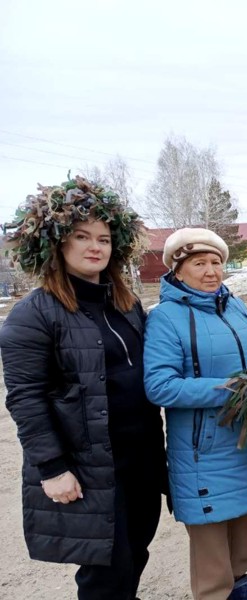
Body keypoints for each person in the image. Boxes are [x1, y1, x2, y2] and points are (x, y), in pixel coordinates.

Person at [0, 175, 166, 599]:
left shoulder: (125, 303)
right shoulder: (33, 315)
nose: (96, 246)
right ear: (57, 242)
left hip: (140, 456)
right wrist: (52, 468)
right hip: (89, 465)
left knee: (137, 551)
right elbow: (25, 399)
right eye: (81, 236)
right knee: (105, 571)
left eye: (104, 238)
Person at [143, 228, 247, 600]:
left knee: (246, 518)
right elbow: (160, 386)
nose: (210, 271)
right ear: (178, 270)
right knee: (211, 541)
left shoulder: (235, 305)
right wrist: (230, 389)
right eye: (199, 264)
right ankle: (216, 593)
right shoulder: (165, 318)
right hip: (205, 448)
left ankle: (240, 583)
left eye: (216, 262)